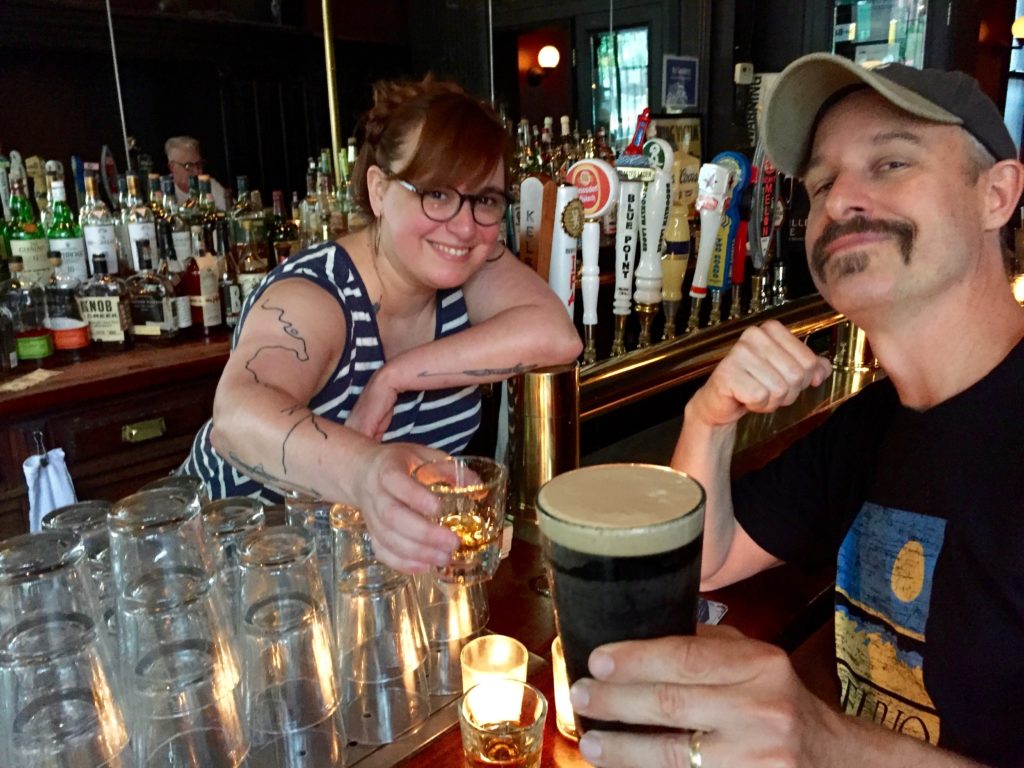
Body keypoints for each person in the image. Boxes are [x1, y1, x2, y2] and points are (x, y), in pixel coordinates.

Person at [569, 53, 1024, 767]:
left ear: (997, 193)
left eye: (890, 163)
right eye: (820, 182)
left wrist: (822, 741)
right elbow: (710, 559)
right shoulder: (878, 424)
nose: (840, 200)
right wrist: (709, 418)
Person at [179, 78, 581, 572]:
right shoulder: (318, 298)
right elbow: (234, 421)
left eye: (486, 199)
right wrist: (366, 471)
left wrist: (395, 375)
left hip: (349, 577)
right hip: (218, 568)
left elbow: (558, 337)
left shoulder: (471, 263)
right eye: (435, 193)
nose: (463, 225)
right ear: (379, 190)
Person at [164, 135, 227, 210]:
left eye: (199, 164)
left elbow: (232, 213)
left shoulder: (208, 184)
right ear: (172, 167)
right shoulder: (162, 192)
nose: (197, 171)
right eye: (189, 166)